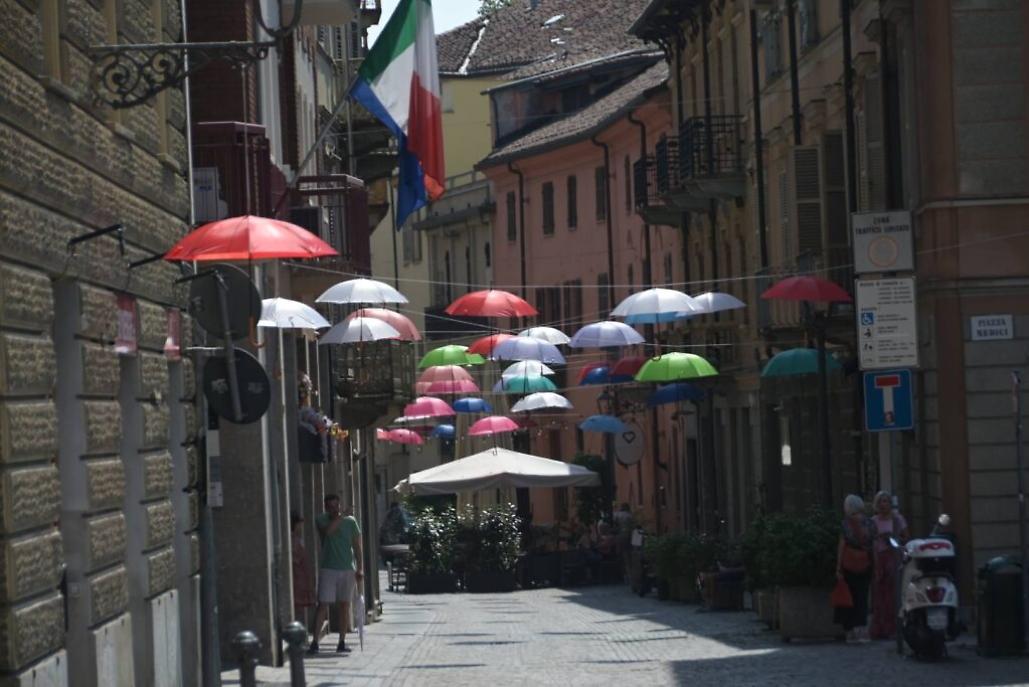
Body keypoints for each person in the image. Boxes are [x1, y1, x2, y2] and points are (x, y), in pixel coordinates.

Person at [308, 494, 364, 654]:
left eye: (336, 506)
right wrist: (342, 516)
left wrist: (360, 568)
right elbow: (328, 532)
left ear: (340, 505)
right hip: (329, 568)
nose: (334, 509)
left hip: (347, 568)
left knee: (344, 604)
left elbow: (357, 546)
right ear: (326, 508)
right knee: (323, 604)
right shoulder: (321, 520)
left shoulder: (351, 522)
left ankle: (341, 641)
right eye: (330, 507)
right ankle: (314, 642)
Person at [835, 494, 874, 643]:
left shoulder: (845, 524)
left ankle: (849, 632)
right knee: (862, 597)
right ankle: (862, 630)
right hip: (865, 563)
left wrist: (838, 567)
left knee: (848, 598)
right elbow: (873, 546)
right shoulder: (870, 523)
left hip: (849, 564)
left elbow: (842, 545)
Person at [870, 490, 908, 639]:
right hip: (879, 556)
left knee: (893, 592)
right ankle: (879, 627)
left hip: (893, 557)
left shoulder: (897, 519)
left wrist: (894, 538)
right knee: (879, 593)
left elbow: (906, 536)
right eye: (880, 501)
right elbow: (871, 540)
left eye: (885, 501)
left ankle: (893, 627)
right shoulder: (873, 521)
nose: (883, 504)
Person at [291, 511, 315, 627]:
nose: (301, 527)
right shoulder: (293, 540)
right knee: (297, 606)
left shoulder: (297, 538)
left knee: (300, 607)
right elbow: (294, 558)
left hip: (302, 576)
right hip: (297, 576)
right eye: (299, 524)